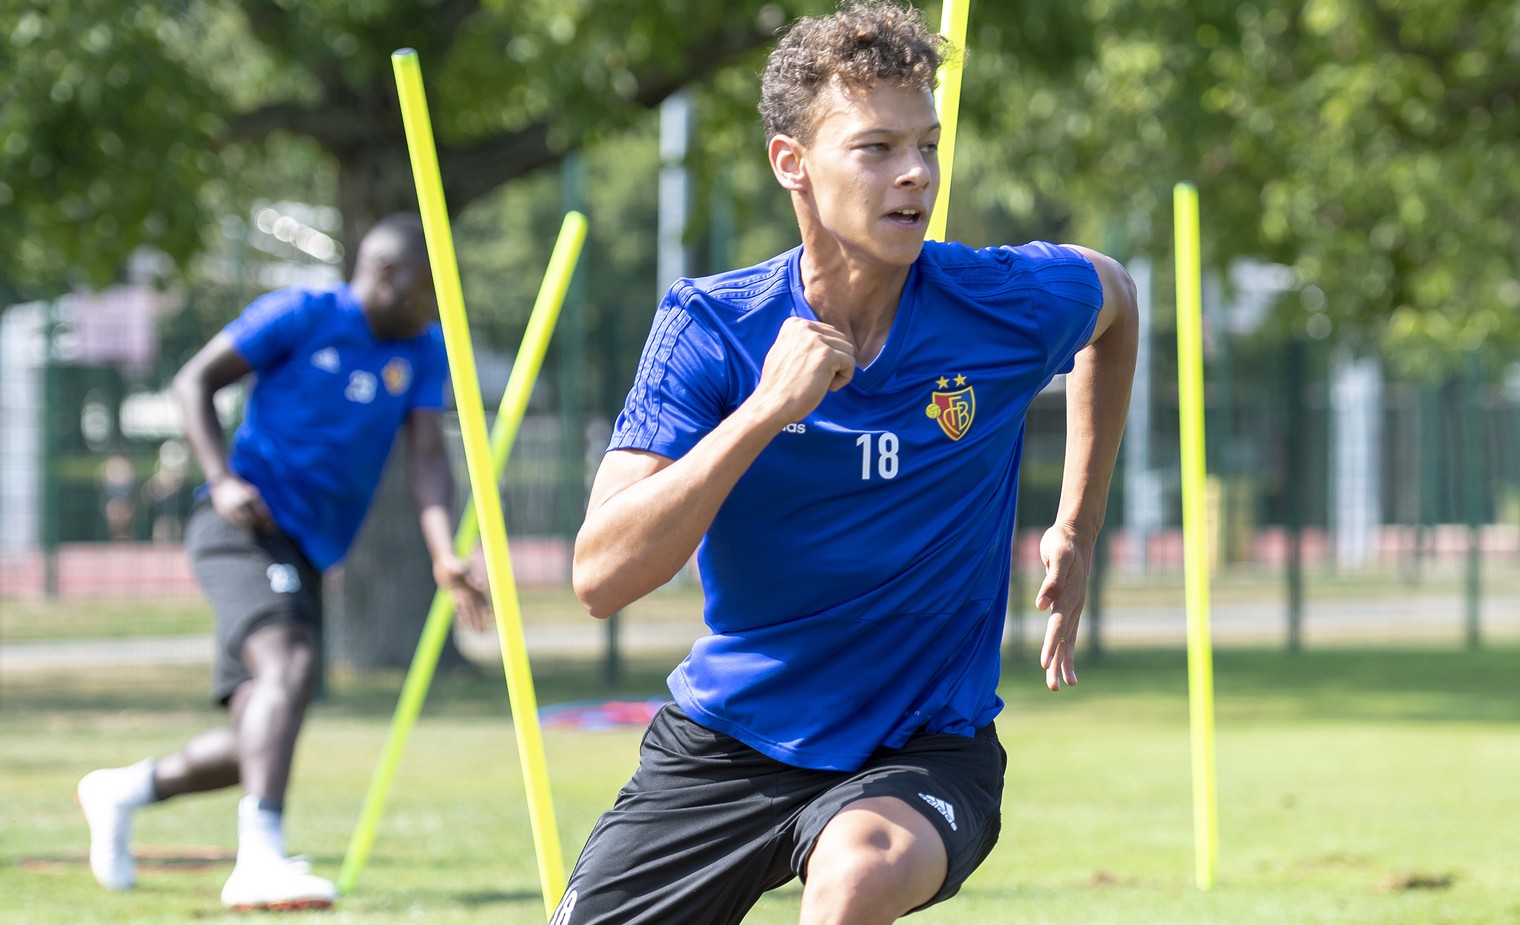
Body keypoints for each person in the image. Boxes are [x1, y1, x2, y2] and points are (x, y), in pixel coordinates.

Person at [556, 3, 1139, 923]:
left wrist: (1077, 526)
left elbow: (1115, 299)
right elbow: (600, 577)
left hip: (920, 746)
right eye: (876, 148)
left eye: (928, 146)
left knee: (856, 873)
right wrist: (764, 412)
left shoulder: (1005, 302)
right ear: (793, 163)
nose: (916, 175)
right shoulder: (710, 327)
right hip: (729, 742)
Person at [76, 213, 488, 911]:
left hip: (305, 545)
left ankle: (124, 788)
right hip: (240, 524)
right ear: (388, 275)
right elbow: (192, 382)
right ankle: (260, 856)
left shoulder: (422, 348)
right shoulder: (300, 313)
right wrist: (223, 478)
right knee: (290, 668)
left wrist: (445, 551)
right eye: (430, 289)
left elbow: (426, 456)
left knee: (261, 730)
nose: (439, 305)